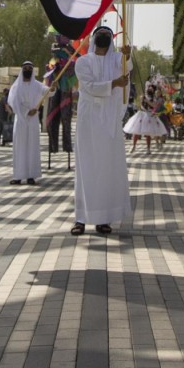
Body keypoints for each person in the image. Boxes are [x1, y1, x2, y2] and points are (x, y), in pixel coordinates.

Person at [71, 25, 131, 235]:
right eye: (101, 35)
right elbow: (88, 86)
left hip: (109, 123)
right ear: (94, 39)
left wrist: (128, 56)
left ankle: (103, 219)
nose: (104, 37)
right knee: (86, 168)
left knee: (107, 168)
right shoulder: (83, 62)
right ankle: (81, 218)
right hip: (89, 122)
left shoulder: (116, 60)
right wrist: (114, 83)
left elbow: (126, 70)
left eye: (107, 35)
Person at [7, 61, 48, 184]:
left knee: (32, 147)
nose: (28, 69)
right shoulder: (16, 86)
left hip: (33, 120)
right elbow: (13, 102)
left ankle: (31, 176)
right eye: (25, 67)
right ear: (22, 70)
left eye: (30, 68)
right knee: (20, 147)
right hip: (21, 120)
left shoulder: (37, 85)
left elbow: (48, 91)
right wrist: (26, 112)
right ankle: (18, 176)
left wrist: (53, 87)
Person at [45, 34, 77, 163]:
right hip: (55, 81)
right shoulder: (55, 46)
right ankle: (52, 146)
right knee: (52, 117)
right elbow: (53, 57)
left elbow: (76, 57)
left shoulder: (70, 47)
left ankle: (67, 146)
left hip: (66, 83)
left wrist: (68, 53)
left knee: (66, 118)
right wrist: (56, 66)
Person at [124, 74, 169, 156]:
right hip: (141, 114)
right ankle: (133, 146)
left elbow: (154, 105)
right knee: (136, 131)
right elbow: (140, 104)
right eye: (149, 87)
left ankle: (148, 148)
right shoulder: (143, 96)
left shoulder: (154, 98)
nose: (150, 88)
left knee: (148, 133)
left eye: (151, 87)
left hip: (149, 115)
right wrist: (143, 99)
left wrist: (147, 101)